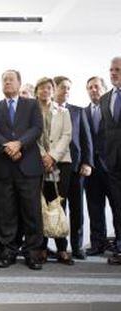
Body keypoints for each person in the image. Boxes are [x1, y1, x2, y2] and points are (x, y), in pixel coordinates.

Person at [0, 69, 44, 270]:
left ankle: (33, 253)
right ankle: (7, 252)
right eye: (4, 80)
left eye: (11, 79)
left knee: (32, 213)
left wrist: (19, 144)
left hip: (28, 166)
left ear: (19, 83)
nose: (7, 82)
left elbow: (37, 128)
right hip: (4, 167)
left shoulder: (32, 104)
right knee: (6, 213)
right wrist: (7, 147)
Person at [54, 76, 93, 259]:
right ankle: (61, 248)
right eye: (63, 87)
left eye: (69, 87)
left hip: (76, 169)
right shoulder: (46, 110)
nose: (66, 90)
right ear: (55, 89)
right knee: (58, 208)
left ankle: (77, 247)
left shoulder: (78, 111)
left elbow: (86, 140)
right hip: (54, 169)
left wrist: (87, 162)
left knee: (77, 209)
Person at [35, 77, 73, 265]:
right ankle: (41, 248)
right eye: (42, 88)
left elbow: (67, 135)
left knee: (58, 204)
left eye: (49, 88)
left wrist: (53, 156)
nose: (45, 91)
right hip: (38, 163)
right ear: (36, 91)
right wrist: (44, 156)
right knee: (41, 205)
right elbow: (32, 135)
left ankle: (62, 249)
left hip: (61, 163)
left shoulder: (63, 112)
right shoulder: (31, 111)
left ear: (53, 90)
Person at [84, 76, 117, 256]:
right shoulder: (84, 112)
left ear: (104, 88)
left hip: (112, 167)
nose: (93, 90)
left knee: (117, 206)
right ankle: (98, 243)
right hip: (91, 168)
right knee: (94, 207)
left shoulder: (112, 110)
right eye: (90, 87)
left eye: (96, 87)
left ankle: (118, 243)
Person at [99, 57, 121, 265]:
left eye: (117, 70)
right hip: (113, 163)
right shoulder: (105, 98)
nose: (113, 73)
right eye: (111, 69)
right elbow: (104, 131)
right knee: (117, 206)